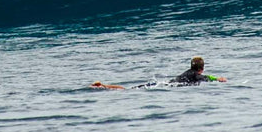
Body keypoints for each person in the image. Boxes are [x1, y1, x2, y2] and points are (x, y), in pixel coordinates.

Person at [90, 56, 225, 89]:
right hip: (165, 87)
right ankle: (103, 86)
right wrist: (218, 79)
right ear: (202, 68)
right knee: (128, 90)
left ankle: (103, 85)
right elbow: (205, 77)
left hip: (165, 83)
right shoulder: (197, 75)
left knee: (129, 89)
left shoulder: (188, 72)